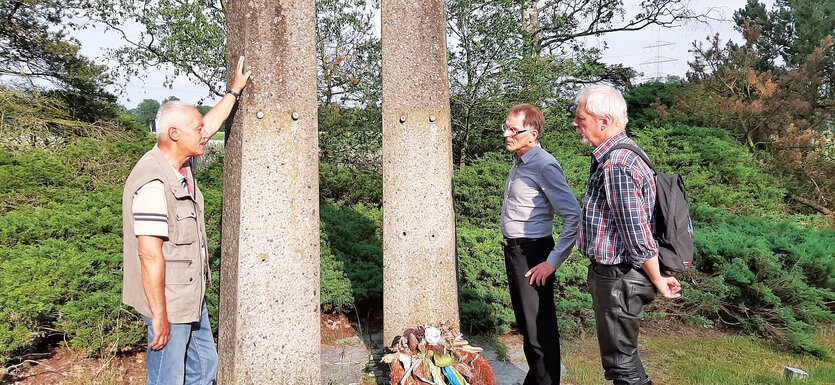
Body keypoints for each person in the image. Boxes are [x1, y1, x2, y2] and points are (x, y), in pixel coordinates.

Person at [122, 56, 251, 385]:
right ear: (175, 134)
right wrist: (159, 317)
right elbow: (149, 255)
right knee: (168, 378)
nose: (204, 133)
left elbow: (209, 124)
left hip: (191, 295)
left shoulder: (180, 164)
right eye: (196, 130)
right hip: (168, 303)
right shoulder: (152, 182)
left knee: (204, 366)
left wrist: (233, 93)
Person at [572, 84, 682, 385]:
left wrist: (657, 278)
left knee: (620, 364)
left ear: (603, 121)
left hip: (619, 278)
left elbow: (636, 232)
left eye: (580, 117)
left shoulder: (617, 164)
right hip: (619, 277)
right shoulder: (626, 153)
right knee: (624, 359)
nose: (575, 123)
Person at [500, 103, 581, 385]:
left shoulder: (544, 164)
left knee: (539, 329)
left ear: (532, 134)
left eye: (513, 129)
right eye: (506, 127)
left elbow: (573, 216)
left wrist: (551, 261)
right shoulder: (521, 161)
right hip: (516, 251)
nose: (506, 134)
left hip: (533, 253)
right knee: (528, 325)